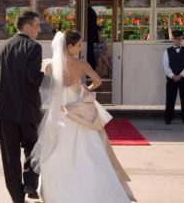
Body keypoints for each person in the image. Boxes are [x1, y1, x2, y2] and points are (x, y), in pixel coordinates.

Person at [31, 30, 136, 203]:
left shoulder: (50, 64)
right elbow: (98, 81)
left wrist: (58, 85)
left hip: (59, 112)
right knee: (90, 148)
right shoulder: (81, 64)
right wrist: (87, 88)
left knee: (58, 149)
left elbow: (44, 88)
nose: (80, 48)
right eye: (79, 45)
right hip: (79, 110)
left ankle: (58, 193)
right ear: (70, 46)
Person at [0, 11, 44, 203]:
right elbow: (34, 78)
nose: (39, 29)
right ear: (27, 26)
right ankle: (30, 182)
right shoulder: (33, 47)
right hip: (28, 110)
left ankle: (17, 198)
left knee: (10, 157)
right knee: (33, 148)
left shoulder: (1, 47)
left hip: (4, 110)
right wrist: (51, 77)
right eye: (37, 25)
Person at [163, 30, 184, 125]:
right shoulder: (167, 51)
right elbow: (165, 65)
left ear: (181, 39)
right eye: (175, 38)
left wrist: (181, 75)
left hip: (183, 79)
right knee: (170, 100)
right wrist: (172, 75)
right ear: (173, 39)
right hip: (171, 79)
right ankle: (168, 118)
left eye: (179, 38)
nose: (177, 40)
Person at [87, 6, 99, 70]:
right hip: (91, 36)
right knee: (90, 55)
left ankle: (89, 73)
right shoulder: (92, 11)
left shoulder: (89, 11)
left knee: (89, 56)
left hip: (89, 36)